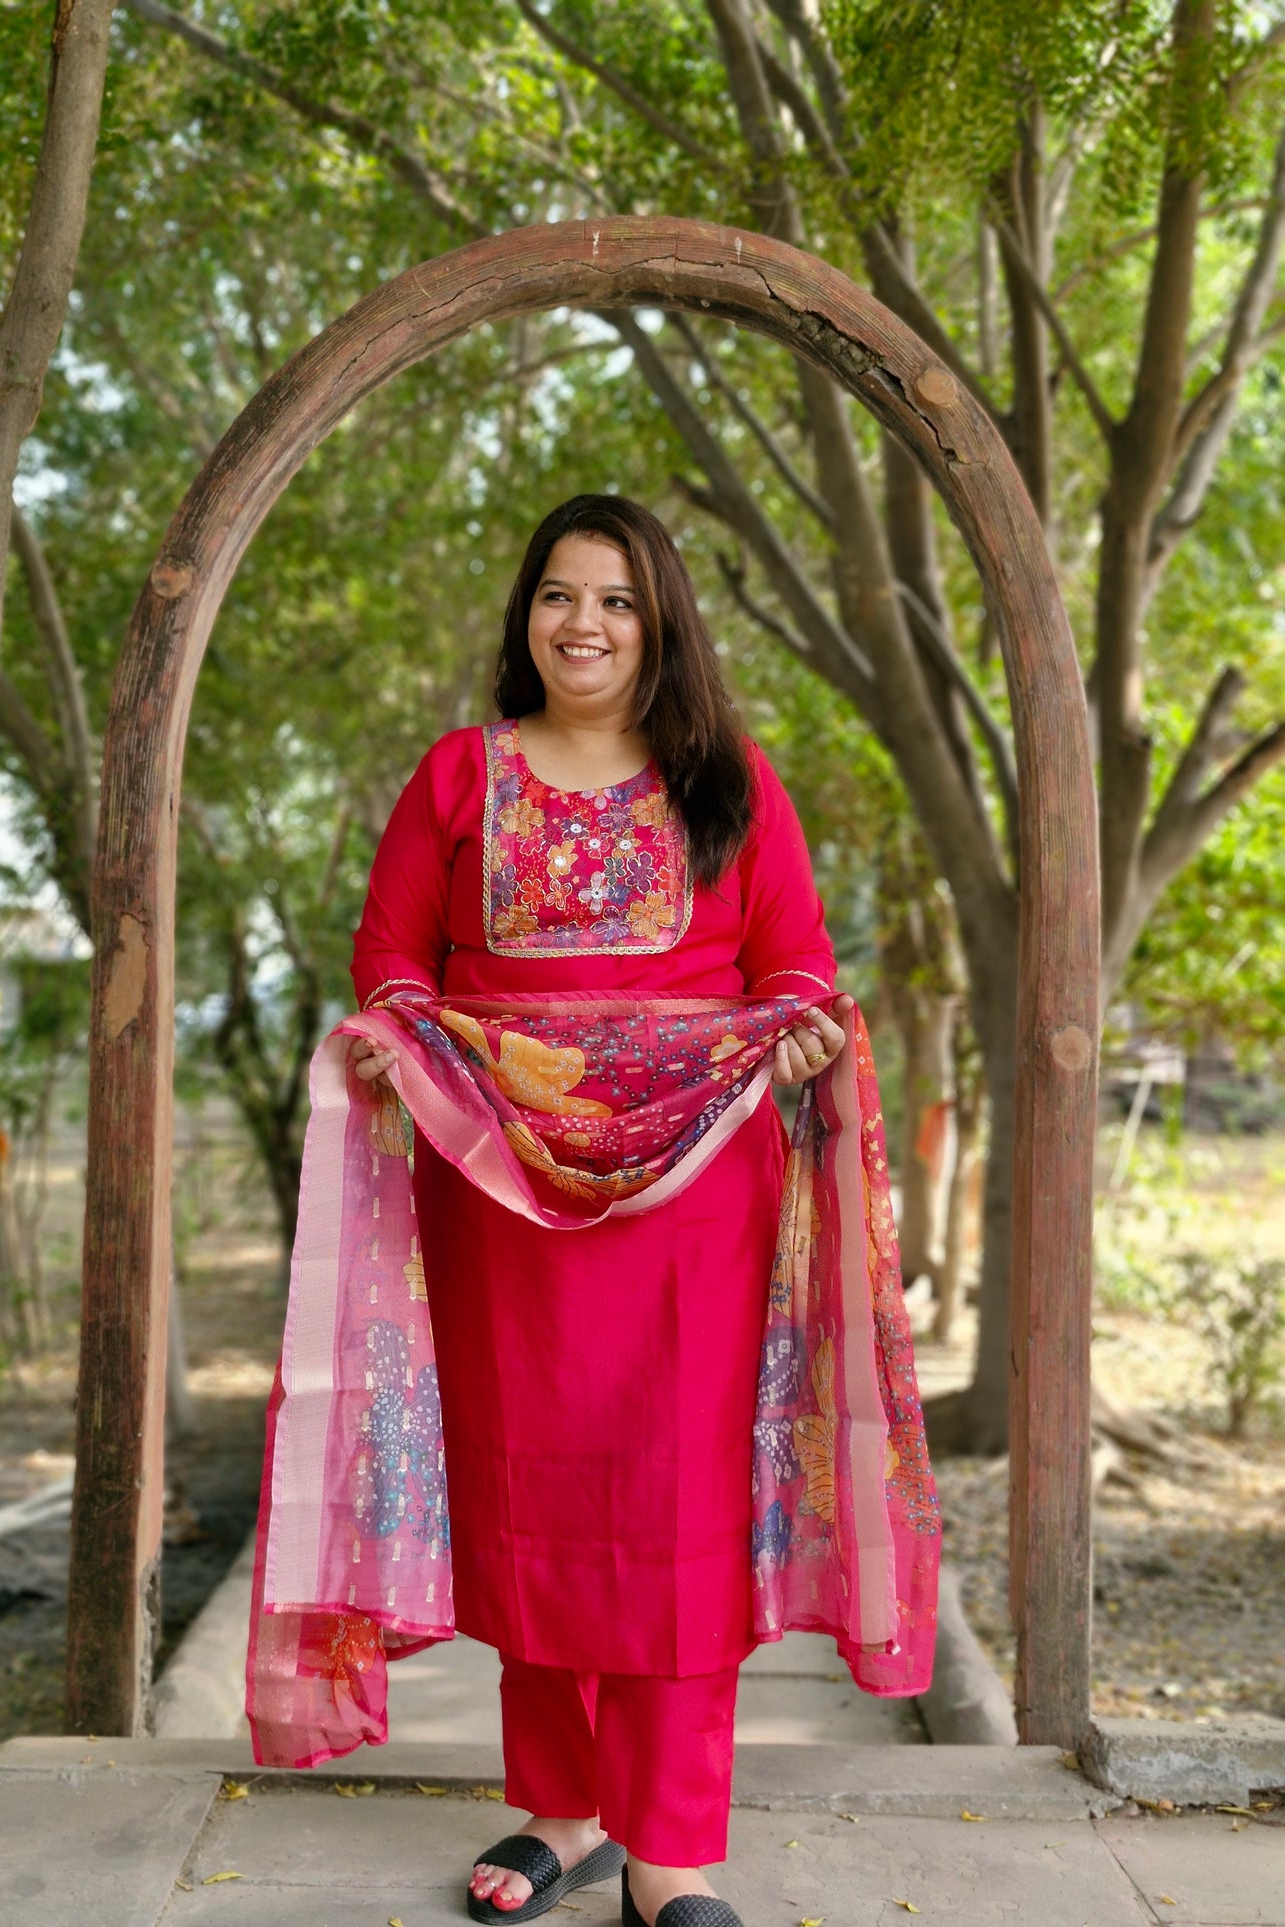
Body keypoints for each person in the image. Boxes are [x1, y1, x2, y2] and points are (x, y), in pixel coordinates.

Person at [344, 495, 856, 1927]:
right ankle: (563, 1815)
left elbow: (793, 965)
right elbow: (392, 954)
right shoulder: (458, 776)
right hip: (501, 1194)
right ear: (526, 616)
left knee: (673, 1509)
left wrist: (795, 1032)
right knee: (532, 1500)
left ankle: (671, 1848)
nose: (582, 625)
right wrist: (409, 1037)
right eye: (558, 596)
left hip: (692, 1200)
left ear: (661, 624)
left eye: (616, 601)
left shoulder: (729, 785)